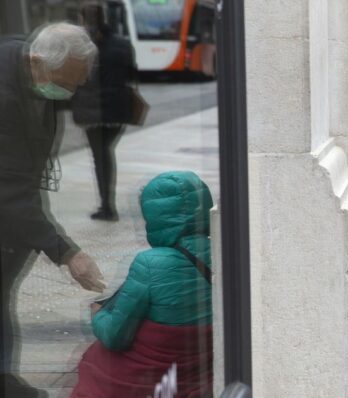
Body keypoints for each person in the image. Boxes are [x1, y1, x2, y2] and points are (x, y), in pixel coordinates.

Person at [0, 23, 106, 397]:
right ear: (37, 62)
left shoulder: (27, 66)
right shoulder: (5, 95)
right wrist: (67, 252)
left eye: (76, 83)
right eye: (67, 82)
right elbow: (8, 190)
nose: (70, 93)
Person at [72, 171, 214, 398]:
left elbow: (116, 336)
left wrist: (98, 316)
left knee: (95, 361)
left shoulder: (149, 264)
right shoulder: (227, 252)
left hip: (157, 376)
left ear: (155, 218)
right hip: (199, 372)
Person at [72, 3, 139, 222]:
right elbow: (132, 74)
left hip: (92, 112)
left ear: (84, 19)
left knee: (100, 157)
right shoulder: (122, 44)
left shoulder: (81, 46)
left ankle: (107, 207)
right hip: (118, 110)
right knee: (105, 153)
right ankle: (106, 204)